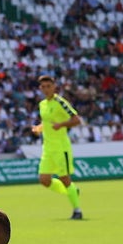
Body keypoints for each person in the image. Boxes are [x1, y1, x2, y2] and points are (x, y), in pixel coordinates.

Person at [32, 74, 83, 219]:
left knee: (64, 179)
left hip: (61, 148)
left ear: (54, 87)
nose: (46, 89)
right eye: (43, 87)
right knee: (44, 180)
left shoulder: (60, 102)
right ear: (40, 88)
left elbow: (76, 120)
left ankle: (77, 210)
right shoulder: (42, 104)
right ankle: (72, 191)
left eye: (49, 86)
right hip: (47, 148)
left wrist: (61, 124)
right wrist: (39, 128)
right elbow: (47, 122)